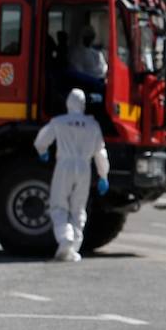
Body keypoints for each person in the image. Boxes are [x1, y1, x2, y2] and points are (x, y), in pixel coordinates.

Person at [33, 88, 109, 262]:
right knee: (78, 208)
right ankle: (74, 246)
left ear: (68, 103)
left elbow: (42, 139)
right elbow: (101, 153)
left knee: (59, 204)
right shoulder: (93, 125)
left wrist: (42, 151)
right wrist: (103, 176)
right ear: (83, 105)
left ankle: (64, 236)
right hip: (84, 167)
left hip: (64, 165)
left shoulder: (59, 122)